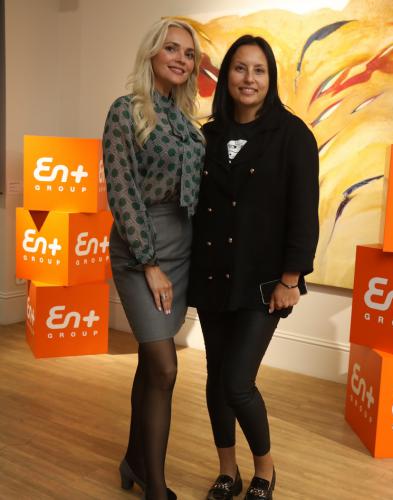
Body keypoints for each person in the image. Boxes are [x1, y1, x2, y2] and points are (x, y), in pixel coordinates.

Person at [188, 35, 319, 500]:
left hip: (263, 282)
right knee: (215, 378)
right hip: (211, 276)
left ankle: (265, 470)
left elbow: (304, 212)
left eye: (258, 70)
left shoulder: (292, 135)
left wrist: (291, 278)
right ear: (227, 76)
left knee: (237, 381)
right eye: (240, 68)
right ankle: (228, 471)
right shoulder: (208, 135)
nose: (249, 78)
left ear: (270, 78)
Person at [102, 19, 204, 500]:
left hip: (181, 249)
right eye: (172, 49)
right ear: (152, 53)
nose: (181, 59)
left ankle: (134, 461)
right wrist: (149, 263)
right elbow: (122, 192)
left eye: (189, 53)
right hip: (139, 250)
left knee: (150, 364)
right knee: (165, 367)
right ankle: (156, 489)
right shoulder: (125, 112)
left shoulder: (188, 124)